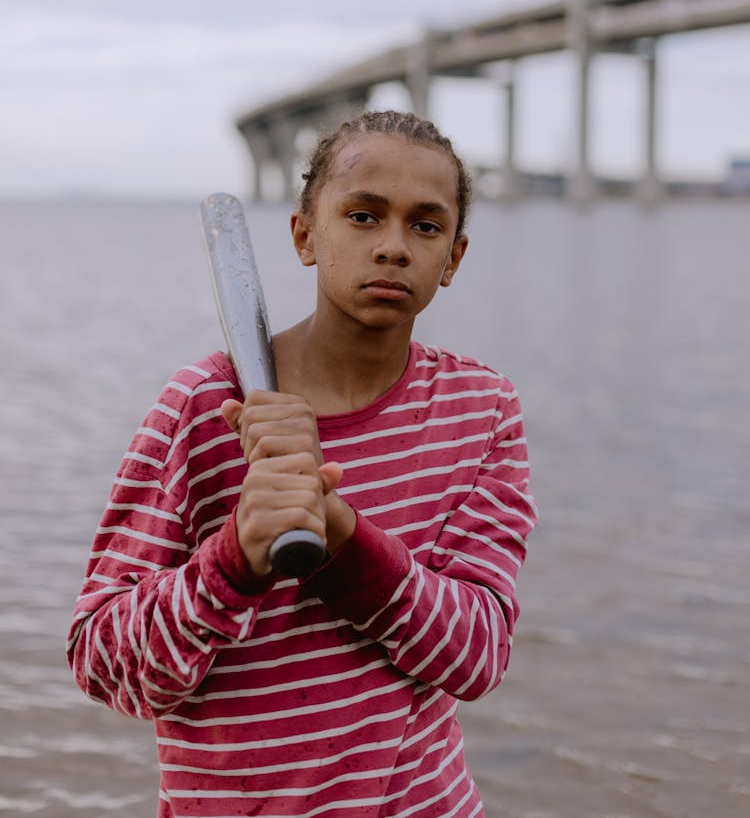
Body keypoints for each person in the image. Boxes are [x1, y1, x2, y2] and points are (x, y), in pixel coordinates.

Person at [67, 109, 538, 818]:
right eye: (362, 215)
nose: (392, 247)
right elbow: (104, 662)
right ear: (304, 235)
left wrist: (344, 538)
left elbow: (476, 656)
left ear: (454, 259)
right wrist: (232, 562)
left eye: (425, 225)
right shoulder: (204, 406)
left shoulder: (482, 408)